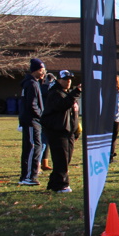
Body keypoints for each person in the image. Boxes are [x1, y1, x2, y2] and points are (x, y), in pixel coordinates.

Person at [41, 70, 82, 193]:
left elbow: (72, 114)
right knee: (61, 159)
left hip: (68, 131)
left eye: (70, 79)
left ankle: (53, 183)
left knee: (66, 158)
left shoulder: (66, 93)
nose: (68, 82)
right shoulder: (55, 93)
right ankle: (61, 185)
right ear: (58, 80)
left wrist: (76, 130)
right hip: (57, 131)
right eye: (65, 79)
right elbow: (63, 105)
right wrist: (76, 92)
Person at [19, 58, 47, 186]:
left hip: (31, 120)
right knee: (33, 147)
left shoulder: (31, 83)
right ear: (35, 70)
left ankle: (26, 176)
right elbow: (32, 104)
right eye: (41, 70)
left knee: (31, 147)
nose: (43, 73)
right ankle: (29, 176)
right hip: (32, 121)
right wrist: (41, 116)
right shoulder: (32, 84)